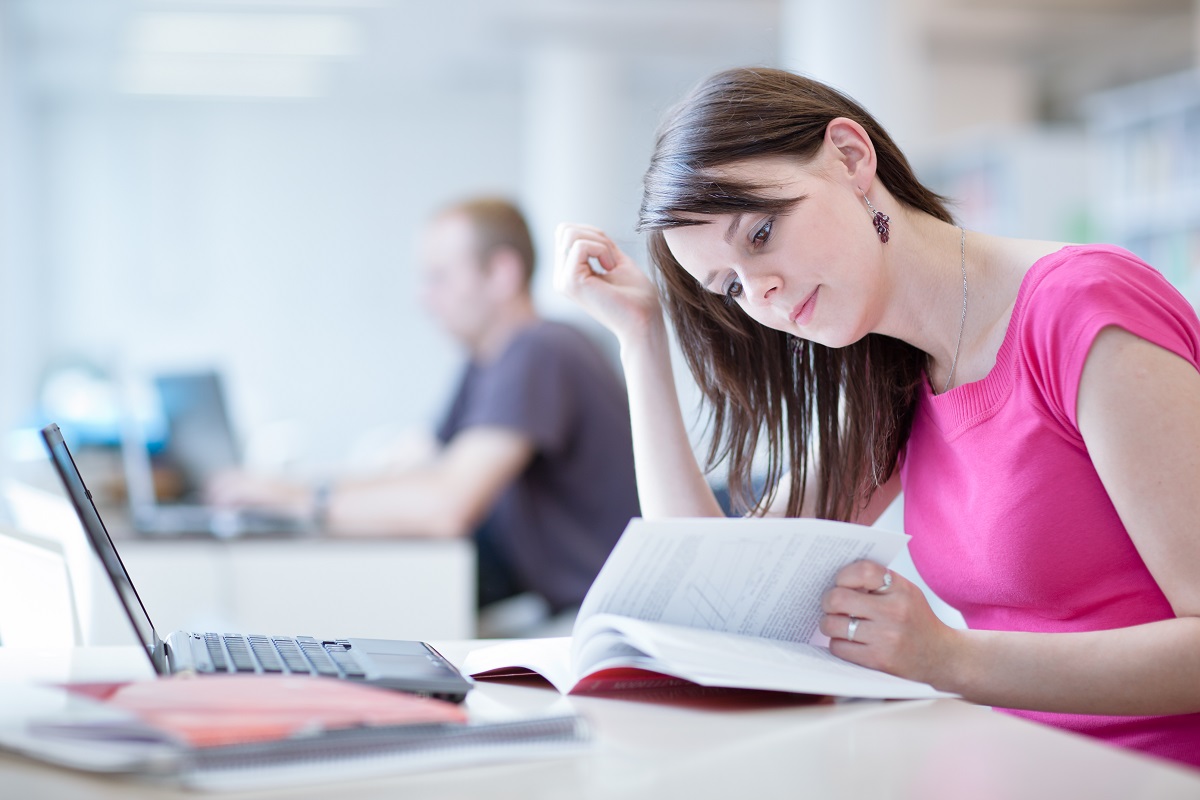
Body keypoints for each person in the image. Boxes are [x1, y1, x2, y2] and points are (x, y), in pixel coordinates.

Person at [554, 67, 1200, 768]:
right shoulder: (893, 373)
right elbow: (713, 589)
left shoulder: (1082, 309)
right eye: (730, 286)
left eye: (762, 233)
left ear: (851, 158)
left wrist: (950, 657)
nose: (760, 289)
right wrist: (641, 339)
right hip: (1010, 765)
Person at [211, 197, 641, 617]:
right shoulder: (486, 363)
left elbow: (445, 507)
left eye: (438, 277)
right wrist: (284, 488)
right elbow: (413, 469)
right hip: (567, 605)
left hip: (606, 618)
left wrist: (297, 501)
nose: (423, 298)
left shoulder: (539, 350)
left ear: (501, 273)